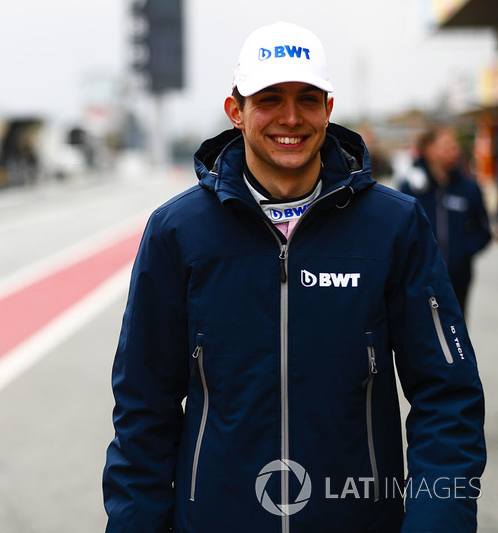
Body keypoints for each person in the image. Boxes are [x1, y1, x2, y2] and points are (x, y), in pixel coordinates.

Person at [103, 21, 485, 533]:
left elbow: (448, 398)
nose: (290, 117)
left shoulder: (393, 227)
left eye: (308, 98)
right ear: (235, 111)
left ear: (329, 110)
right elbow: (142, 412)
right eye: (269, 99)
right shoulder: (178, 233)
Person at [399, 125, 492, 318]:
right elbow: (399, 230)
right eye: (447, 145)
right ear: (428, 149)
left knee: (457, 336)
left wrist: (463, 252)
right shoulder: (410, 187)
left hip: (458, 280)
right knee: (423, 336)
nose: (454, 150)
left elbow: (484, 231)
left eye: (455, 145)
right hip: (420, 280)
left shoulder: (469, 188)